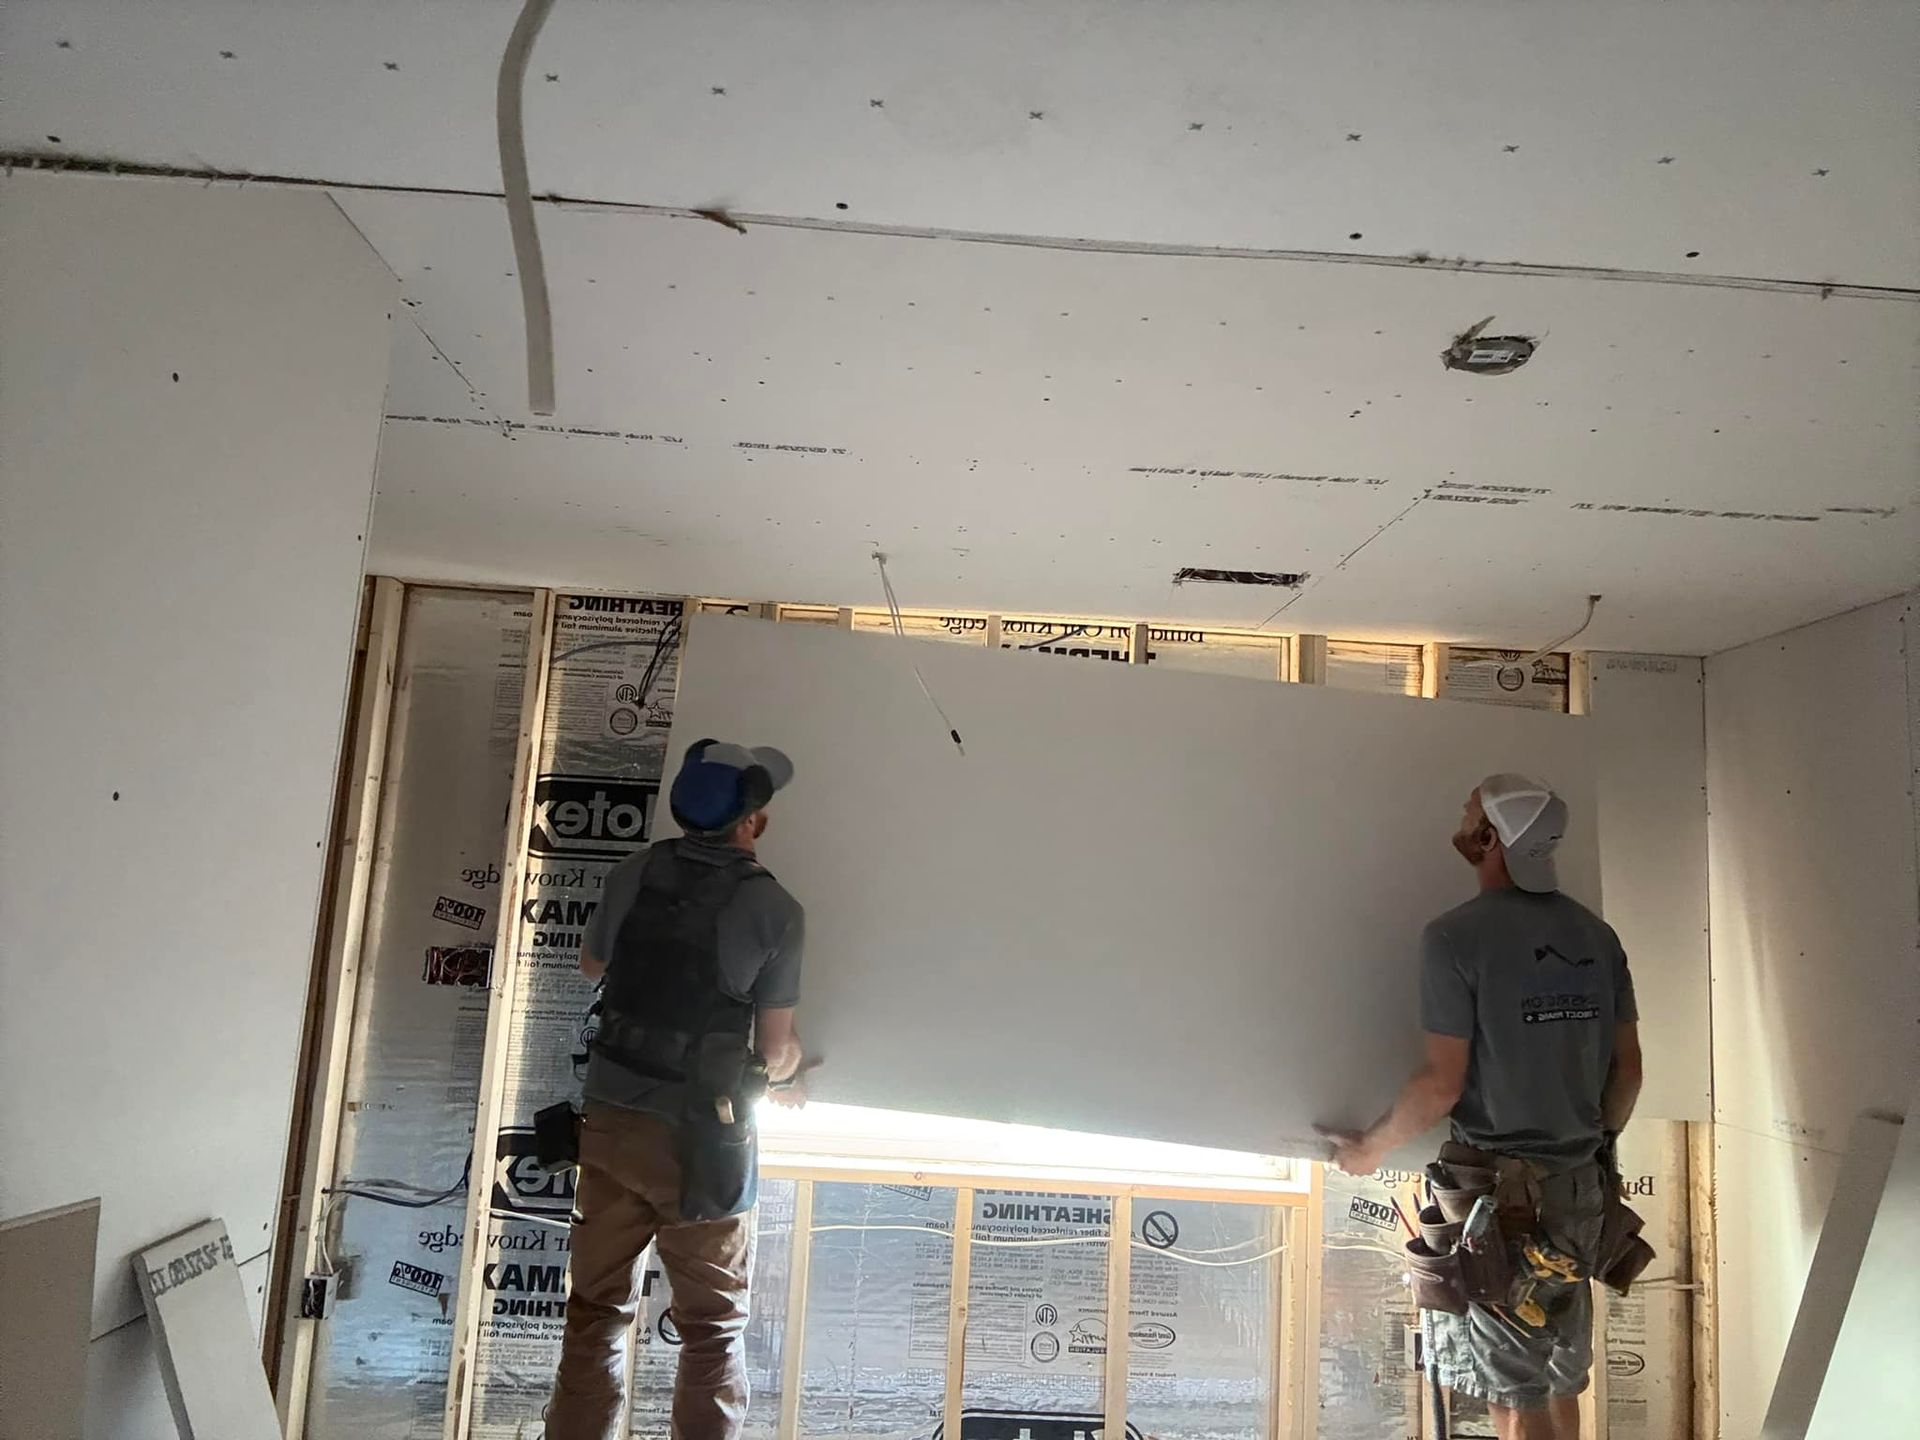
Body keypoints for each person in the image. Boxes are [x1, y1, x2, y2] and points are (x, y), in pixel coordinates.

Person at [1318, 774, 1641, 1440]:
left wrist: (1367, 1150)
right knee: (1556, 1376)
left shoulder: (1455, 939)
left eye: (1469, 815)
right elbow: (1629, 1072)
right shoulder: (1596, 935)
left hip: (1501, 1204)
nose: (1460, 824)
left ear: (1489, 838)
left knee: (1514, 1390)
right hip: (1581, 1189)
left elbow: (1441, 1085)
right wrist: (1584, 1150)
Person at [546, 739, 812, 1440]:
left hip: (609, 1124)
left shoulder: (636, 870)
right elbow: (775, 1047)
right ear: (752, 822)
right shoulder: (776, 911)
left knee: (596, 1313)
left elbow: (590, 966)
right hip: (702, 1145)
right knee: (712, 1330)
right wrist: (787, 1073)